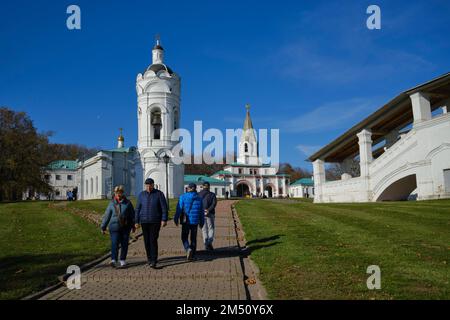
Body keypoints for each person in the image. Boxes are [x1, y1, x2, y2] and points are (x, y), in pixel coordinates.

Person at [135, 178, 168, 268]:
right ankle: (149, 258)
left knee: (153, 240)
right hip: (144, 221)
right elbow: (137, 209)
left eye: (150, 185)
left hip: (155, 221)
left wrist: (164, 219)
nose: (148, 187)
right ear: (145, 185)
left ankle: (154, 260)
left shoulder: (159, 194)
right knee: (146, 241)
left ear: (153, 185)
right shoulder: (141, 195)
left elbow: (164, 208)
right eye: (147, 185)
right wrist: (136, 221)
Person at [100, 185, 135, 268]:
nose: (118, 194)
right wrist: (103, 227)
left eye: (120, 193)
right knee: (114, 243)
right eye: (117, 193)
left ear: (123, 193)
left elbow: (132, 215)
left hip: (125, 227)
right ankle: (113, 260)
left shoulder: (128, 203)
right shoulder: (111, 204)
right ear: (115, 193)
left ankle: (122, 260)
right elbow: (107, 216)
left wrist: (133, 225)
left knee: (124, 244)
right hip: (114, 227)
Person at [174, 183, 204, 261]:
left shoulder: (183, 197)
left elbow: (179, 209)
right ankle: (193, 255)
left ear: (189, 188)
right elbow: (201, 211)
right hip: (195, 221)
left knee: (184, 237)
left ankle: (187, 249)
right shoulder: (199, 198)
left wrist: (176, 218)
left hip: (186, 221)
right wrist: (202, 222)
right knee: (193, 238)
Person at [198, 182, 217, 251]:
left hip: (201, 214)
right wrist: (208, 210)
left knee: (204, 230)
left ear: (202, 186)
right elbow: (214, 203)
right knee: (211, 228)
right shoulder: (212, 194)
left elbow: (197, 204)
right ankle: (209, 242)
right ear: (209, 187)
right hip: (210, 213)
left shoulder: (199, 194)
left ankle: (206, 244)